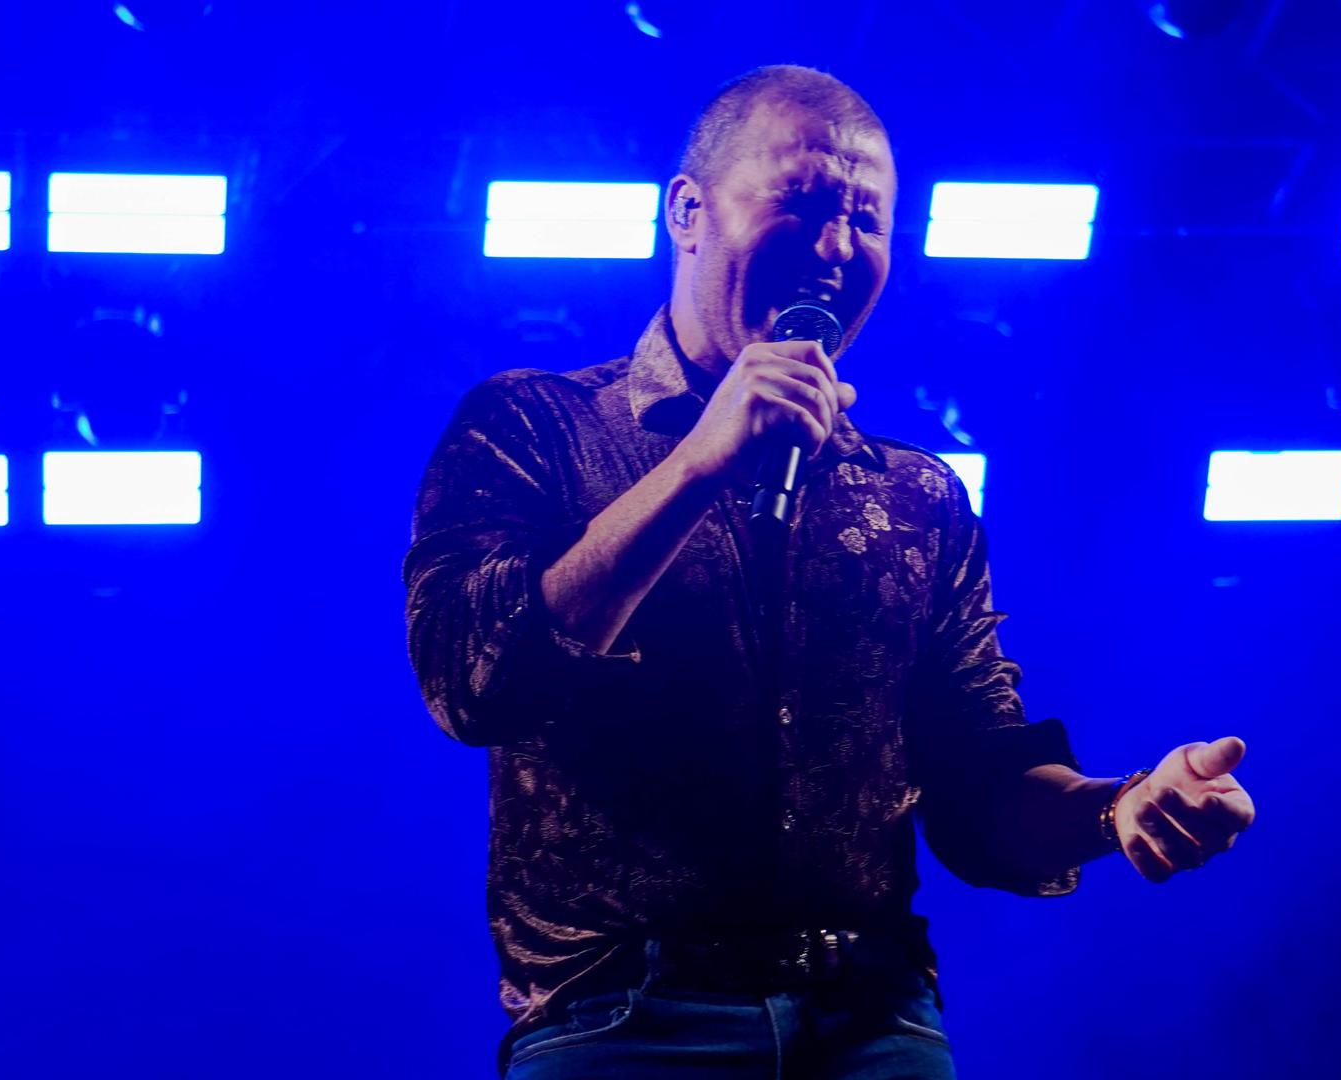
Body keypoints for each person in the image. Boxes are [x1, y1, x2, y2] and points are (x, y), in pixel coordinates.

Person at [404, 64, 1256, 1079]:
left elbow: (979, 784)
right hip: (622, 1021)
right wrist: (698, 463)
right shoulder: (534, 426)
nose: (837, 248)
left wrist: (1120, 810)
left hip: (873, 1020)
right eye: (802, 205)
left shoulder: (917, 496)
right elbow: (474, 681)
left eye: (867, 220)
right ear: (686, 210)